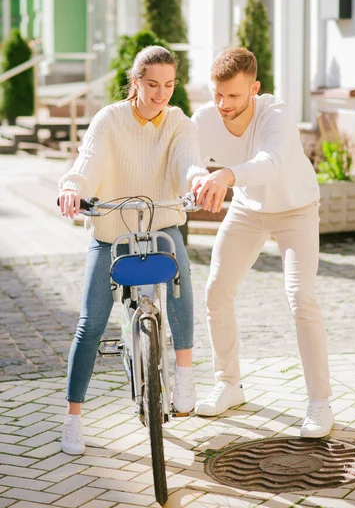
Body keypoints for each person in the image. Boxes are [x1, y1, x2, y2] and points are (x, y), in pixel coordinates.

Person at [58, 45, 208, 455]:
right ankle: (73, 417)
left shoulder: (178, 123)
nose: (162, 94)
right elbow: (87, 163)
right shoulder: (109, 120)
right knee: (90, 323)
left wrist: (197, 181)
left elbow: (189, 161)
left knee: (181, 282)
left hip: (160, 224)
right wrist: (73, 188)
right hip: (110, 231)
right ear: (135, 81)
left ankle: (185, 372)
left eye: (170, 86)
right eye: (153, 85)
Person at [191, 47, 334, 438]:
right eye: (217, 94)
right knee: (216, 291)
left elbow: (270, 162)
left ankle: (320, 403)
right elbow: (189, 155)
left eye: (234, 96)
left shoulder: (278, 114)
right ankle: (229, 384)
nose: (223, 104)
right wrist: (196, 178)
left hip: (296, 210)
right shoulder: (205, 117)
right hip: (249, 211)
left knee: (301, 298)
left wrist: (224, 177)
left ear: (254, 88)